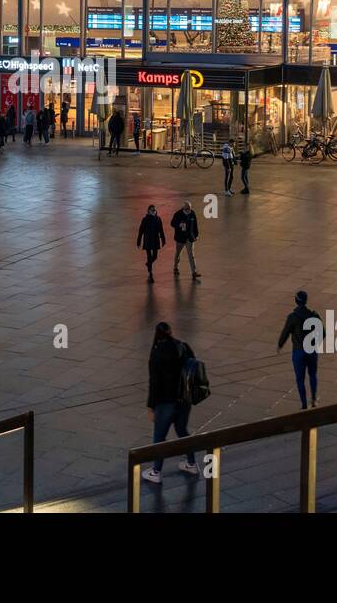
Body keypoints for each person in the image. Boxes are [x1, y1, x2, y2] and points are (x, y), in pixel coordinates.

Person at [140, 322, 199, 484]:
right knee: (182, 431)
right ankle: (191, 463)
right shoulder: (183, 347)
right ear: (170, 332)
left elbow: (154, 382)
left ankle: (156, 471)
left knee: (159, 437)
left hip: (165, 402)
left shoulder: (157, 352)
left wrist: (151, 407)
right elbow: (193, 366)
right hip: (184, 399)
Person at [276, 291, 321, 409]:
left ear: (296, 301)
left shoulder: (292, 317)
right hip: (311, 350)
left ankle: (304, 404)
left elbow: (285, 332)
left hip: (298, 351)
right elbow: (323, 333)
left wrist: (280, 344)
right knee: (312, 375)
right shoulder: (314, 315)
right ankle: (314, 399)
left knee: (300, 379)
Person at [170, 201, 201, 279]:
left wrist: (196, 235)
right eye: (187, 209)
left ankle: (194, 272)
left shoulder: (192, 213)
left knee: (191, 255)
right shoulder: (178, 214)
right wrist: (179, 225)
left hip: (189, 238)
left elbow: (195, 224)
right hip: (180, 238)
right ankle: (175, 267)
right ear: (184, 208)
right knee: (178, 254)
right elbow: (172, 223)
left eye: (190, 208)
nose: (189, 210)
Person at [136, 204, 165, 283]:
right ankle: (150, 273)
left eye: (154, 210)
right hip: (148, 240)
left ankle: (148, 264)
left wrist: (163, 239)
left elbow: (161, 230)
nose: (154, 211)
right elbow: (141, 231)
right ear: (148, 211)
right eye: (152, 210)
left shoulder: (158, 219)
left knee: (155, 256)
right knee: (149, 256)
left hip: (155, 240)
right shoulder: (145, 219)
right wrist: (138, 242)